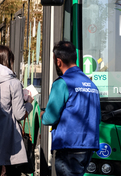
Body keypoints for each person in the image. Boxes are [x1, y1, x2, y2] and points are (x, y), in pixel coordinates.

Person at [41, 41, 101, 176]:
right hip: (88, 146)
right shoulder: (91, 85)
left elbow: (49, 118)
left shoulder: (62, 83)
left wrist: (43, 114)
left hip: (68, 146)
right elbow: (97, 118)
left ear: (58, 61)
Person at [0, 45, 33, 176]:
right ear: (9, 60)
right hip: (8, 139)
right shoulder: (14, 83)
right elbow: (20, 114)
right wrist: (29, 103)